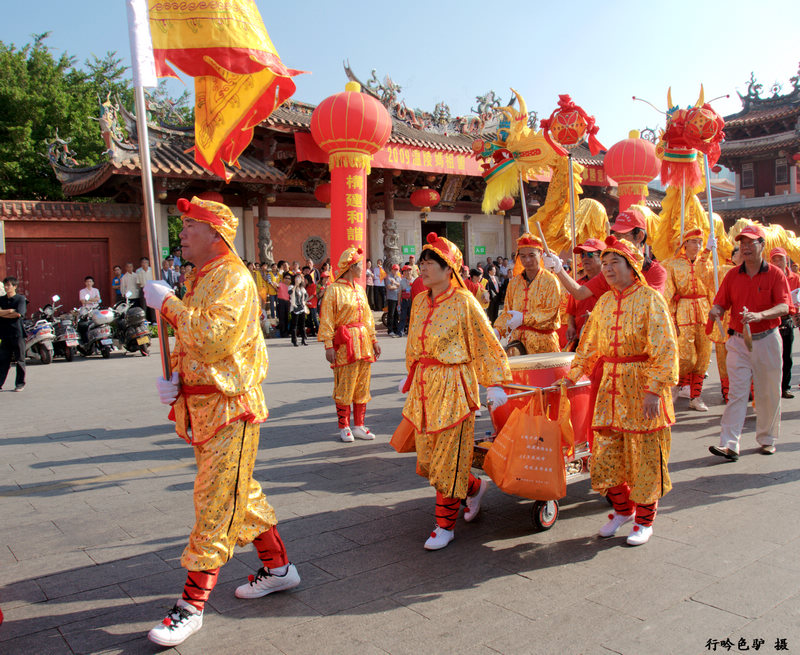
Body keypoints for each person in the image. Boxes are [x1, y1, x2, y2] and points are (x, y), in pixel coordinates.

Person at [142, 196, 299, 647]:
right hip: (206, 408)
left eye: (190, 226)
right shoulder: (201, 278)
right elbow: (198, 346)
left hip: (232, 409)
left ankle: (190, 606)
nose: (182, 233)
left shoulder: (231, 277)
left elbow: (210, 339)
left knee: (214, 502)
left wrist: (169, 304)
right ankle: (279, 568)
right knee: (239, 494)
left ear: (216, 234)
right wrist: (174, 380)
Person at [399, 232, 511, 550]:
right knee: (429, 460)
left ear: (449, 269)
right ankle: (474, 487)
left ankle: (444, 526)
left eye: (430, 262)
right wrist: (412, 371)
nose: (422, 267)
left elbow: (485, 342)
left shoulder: (464, 302)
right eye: (422, 261)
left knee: (448, 459)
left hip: (453, 386)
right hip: (424, 386)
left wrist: (496, 382)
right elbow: (413, 341)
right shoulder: (420, 301)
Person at [565, 236, 678, 546]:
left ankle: (645, 519)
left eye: (615, 262)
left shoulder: (650, 299)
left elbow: (667, 348)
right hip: (610, 386)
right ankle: (622, 508)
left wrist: (654, 389)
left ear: (633, 266)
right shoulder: (604, 301)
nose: (608, 269)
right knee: (604, 452)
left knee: (644, 455)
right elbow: (589, 343)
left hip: (641, 385)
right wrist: (574, 373)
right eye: (605, 264)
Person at [708, 225, 791, 460]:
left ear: (762, 245)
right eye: (742, 243)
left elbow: (785, 306)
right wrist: (715, 310)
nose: (745, 247)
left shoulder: (775, 274)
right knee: (737, 393)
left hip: (766, 339)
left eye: (750, 243)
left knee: (768, 392)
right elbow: (721, 302)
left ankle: (767, 439)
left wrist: (760, 315)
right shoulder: (732, 275)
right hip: (737, 340)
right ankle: (729, 443)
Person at [318, 246, 381, 442]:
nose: (363, 268)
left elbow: (369, 317)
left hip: (363, 342)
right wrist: (328, 344)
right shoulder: (333, 290)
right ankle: (344, 426)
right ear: (350, 267)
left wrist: (374, 339)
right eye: (359, 265)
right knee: (345, 384)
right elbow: (327, 318)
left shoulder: (360, 290)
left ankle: (359, 425)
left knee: (362, 385)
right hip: (345, 344)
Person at [546, 209, 668, 301]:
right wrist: (558, 269)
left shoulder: (656, 271)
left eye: (623, 236)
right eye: (617, 236)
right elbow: (580, 293)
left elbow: (650, 304)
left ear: (640, 236)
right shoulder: (611, 270)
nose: (618, 241)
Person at [663, 228, 715, 412]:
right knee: (685, 356)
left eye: (700, 242)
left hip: (704, 310)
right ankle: (675, 386)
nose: (697, 245)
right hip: (684, 311)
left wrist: (715, 312)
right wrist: (671, 318)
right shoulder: (674, 265)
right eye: (693, 241)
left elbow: (711, 290)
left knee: (703, 356)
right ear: (685, 244)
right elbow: (669, 293)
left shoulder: (707, 264)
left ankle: (696, 396)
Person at [494, 233, 561, 353]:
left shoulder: (550, 281)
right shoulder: (514, 283)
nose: (527, 260)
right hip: (517, 346)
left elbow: (551, 313)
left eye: (531, 255)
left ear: (540, 254)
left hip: (543, 345)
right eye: (523, 256)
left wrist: (524, 319)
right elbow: (508, 312)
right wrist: (498, 330)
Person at [770, 247, 800, 398]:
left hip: (788, 318)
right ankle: (773, 388)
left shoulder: (795, 278)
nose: (777, 262)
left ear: (786, 259)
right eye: (774, 259)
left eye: (780, 259)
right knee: (772, 356)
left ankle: (785, 387)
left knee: (787, 356)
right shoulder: (768, 277)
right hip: (772, 319)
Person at [565, 238, 605, 348]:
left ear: (602, 258)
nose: (585, 258)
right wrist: (571, 327)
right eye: (583, 255)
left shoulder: (608, 282)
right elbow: (571, 313)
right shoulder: (578, 284)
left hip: (602, 340)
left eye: (590, 255)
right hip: (580, 341)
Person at [0, 277, 27, 391]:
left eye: (9, 285)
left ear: (15, 286)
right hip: (5, 334)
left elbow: (18, 314)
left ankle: (20, 384)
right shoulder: (1, 299)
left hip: (17, 334)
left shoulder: (20, 299)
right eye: (5, 285)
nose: (6, 287)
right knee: (3, 361)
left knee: (20, 360)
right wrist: (10, 311)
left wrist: (3, 313)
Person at [289, 273, 309, 346]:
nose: (298, 280)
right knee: (295, 325)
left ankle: (303, 339)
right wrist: (295, 285)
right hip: (294, 307)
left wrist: (304, 301)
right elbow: (290, 292)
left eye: (299, 278)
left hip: (301, 307)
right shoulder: (291, 286)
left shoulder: (302, 288)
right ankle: (294, 340)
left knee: (302, 325)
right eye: (297, 278)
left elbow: (307, 295)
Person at [385, 264, 401, 337]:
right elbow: (389, 287)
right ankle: (390, 330)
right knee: (391, 314)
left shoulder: (398, 278)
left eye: (397, 270)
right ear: (392, 270)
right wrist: (396, 286)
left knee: (396, 314)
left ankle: (395, 329)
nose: (395, 271)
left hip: (397, 298)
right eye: (394, 269)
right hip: (391, 298)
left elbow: (400, 286)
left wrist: (394, 284)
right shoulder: (389, 277)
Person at [397, 265, 413, 336]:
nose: (408, 272)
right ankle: (401, 331)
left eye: (409, 270)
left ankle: (410, 331)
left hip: (411, 301)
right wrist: (398, 303)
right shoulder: (402, 281)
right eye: (406, 271)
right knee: (403, 317)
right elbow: (399, 292)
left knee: (411, 317)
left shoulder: (414, 280)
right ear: (404, 272)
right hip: (404, 301)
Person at [276, 272, 292, 338]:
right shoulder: (280, 284)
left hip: (288, 302)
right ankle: (283, 333)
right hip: (281, 301)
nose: (287, 280)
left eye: (289, 278)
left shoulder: (291, 286)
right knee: (282, 318)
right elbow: (275, 285)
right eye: (286, 278)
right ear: (283, 279)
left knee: (287, 318)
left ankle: (286, 332)